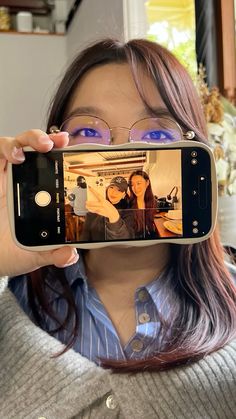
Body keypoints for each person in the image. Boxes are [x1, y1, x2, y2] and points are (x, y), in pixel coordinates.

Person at [0, 38, 236, 418]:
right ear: (53, 145)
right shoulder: (10, 300)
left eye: (157, 135)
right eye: (90, 133)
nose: (119, 154)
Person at [81, 175, 135, 241]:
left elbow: (127, 238)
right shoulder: (94, 209)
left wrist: (114, 218)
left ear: (124, 195)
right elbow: (85, 237)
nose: (114, 192)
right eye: (112, 187)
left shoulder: (128, 212)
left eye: (119, 190)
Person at [129, 169, 159, 239]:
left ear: (147, 183)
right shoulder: (129, 205)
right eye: (132, 185)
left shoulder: (154, 203)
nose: (135, 188)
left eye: (138, 183)